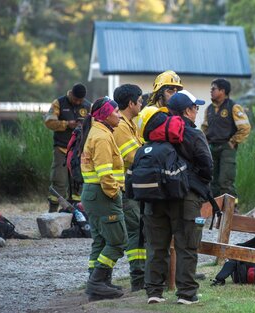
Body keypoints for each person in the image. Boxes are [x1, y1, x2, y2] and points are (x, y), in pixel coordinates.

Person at [142, 90, 212, 305]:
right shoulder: (193, 134)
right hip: (185, 198)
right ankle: (186, 294)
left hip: (155, 197)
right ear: (187, 111)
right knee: (186, 246)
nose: (197, 112)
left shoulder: (154, 133)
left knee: (156, 246)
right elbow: (208, 166)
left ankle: (154, 292)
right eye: (195, 108)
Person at [80, 97, 127, 301]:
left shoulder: (100, 132)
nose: (119, 115)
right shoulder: (101, 137)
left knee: (100, 240)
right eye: (116, 111)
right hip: (103, 194)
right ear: (106, 114)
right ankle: (97, 283)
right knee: (118, 241)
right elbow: (105, 173)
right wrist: (114, 193)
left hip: (94, 194)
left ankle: (98, 282)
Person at [112, 84, 146, 292]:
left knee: (140, 230)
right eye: (140, 100)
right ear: (131, 103)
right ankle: (138, 279)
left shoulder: (130, 124)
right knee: (136, 232)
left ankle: (141, 276)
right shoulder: (122, 126)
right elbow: (133, 157)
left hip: (132, 186)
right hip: (125, 188)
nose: (142, 103)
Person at [44, 83, 91, 212]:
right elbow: (49, 122)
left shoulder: (88, 106)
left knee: (77, 184)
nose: (77, 102)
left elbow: (93, 126)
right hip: (62, 149)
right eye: (75, 99)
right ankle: (52, 213)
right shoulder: (59, 103)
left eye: (80, 100)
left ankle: (74, 216)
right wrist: (66, 124)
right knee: (59, 182)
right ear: (71, 94)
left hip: (78, 151)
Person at [201, 78, 251, 199]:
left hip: (227, 149)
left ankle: (232, 210)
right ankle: (215, 211)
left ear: (222, 91)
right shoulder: (209, 109)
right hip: (212, 149)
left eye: (213, 89)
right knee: (212, 182)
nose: (211, 91)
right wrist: (204, 142)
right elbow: (204, 128)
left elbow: (245, 127)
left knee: (225, 181)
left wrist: (232, 142)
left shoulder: (234, 107)